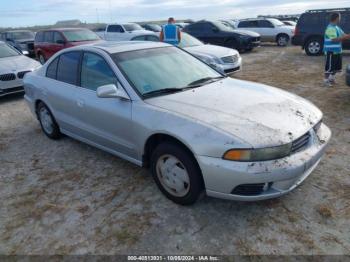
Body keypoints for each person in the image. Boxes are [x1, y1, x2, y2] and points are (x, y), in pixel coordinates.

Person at [323, 12, 350, 87]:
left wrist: (348, 36)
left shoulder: (337, 27)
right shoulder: (330, 28)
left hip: (337, 51)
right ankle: (325, 81)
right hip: (330, 51)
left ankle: (331, 79)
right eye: (340, 17)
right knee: (329, 67)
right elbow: (334, 39)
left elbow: (344, 35)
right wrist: (345, 37)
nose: (340, 19)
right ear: (337, 18)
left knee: (336, 67)